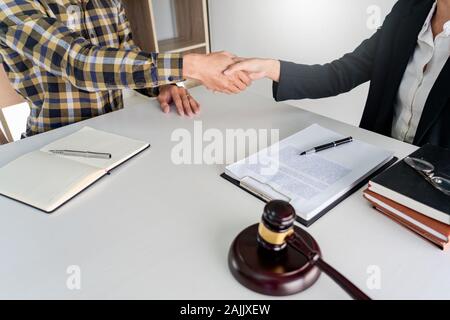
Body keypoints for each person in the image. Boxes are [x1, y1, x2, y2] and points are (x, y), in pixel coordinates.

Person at [0, 0, 251, 137]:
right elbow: (79, 64)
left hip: (117, 133)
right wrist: (191, 65)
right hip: (54, 141)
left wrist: (162, 84)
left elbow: (126, 54)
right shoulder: (11, 5)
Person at [226, 0, 450, 148]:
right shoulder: (408, 10)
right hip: (380, 162)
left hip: (437, 189)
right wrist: (268, 67)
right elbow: (341, 73)